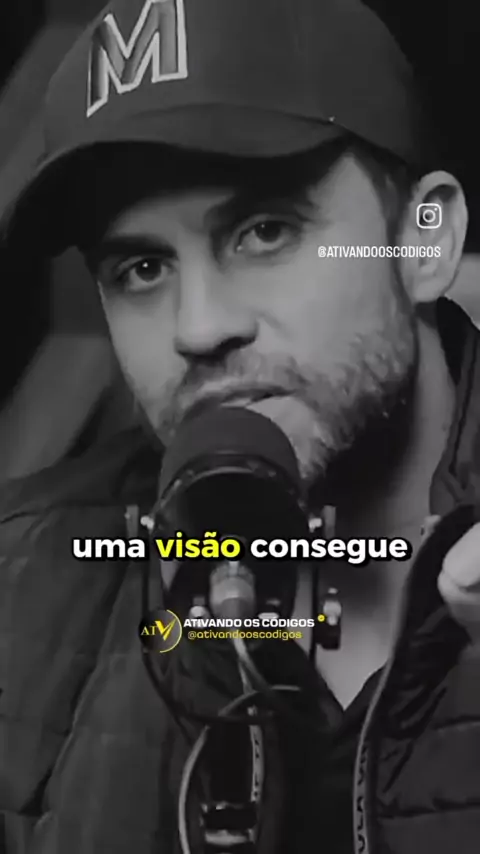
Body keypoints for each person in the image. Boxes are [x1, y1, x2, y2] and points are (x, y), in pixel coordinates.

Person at [1, 0, 480, 852]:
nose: (199, 327)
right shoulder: (19, 590)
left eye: (265, 231)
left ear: (424, 241)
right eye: (141, 267)